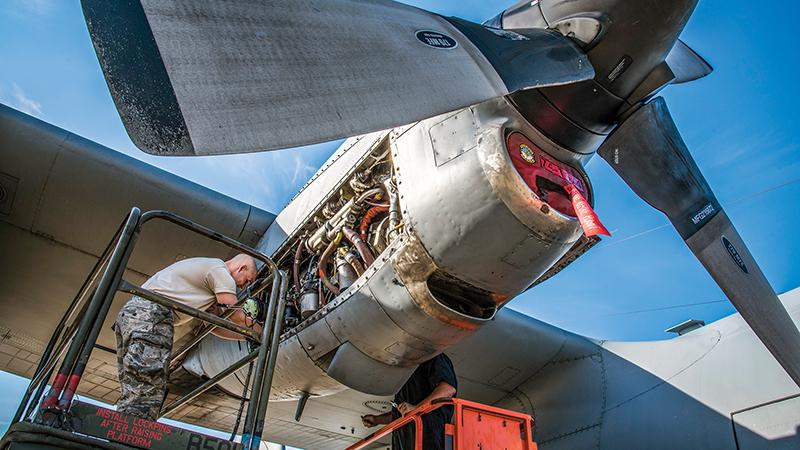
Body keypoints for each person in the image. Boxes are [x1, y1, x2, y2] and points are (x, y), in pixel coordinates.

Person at [113, 254, 259, 420]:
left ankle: (124, 425)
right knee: (149, 378)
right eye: (247, 280)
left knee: (134, 378)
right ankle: (134, 430)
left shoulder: (206, 283)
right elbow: (233, 312)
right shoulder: (220, 271)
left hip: (132, 315)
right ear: (241, 268)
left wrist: (248, 337)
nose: (243, 286)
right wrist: (261, 330)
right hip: (153, 314)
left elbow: (215, 328)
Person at [361, 353, 457, 449]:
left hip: (428, 438)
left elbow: (447, 389)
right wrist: (377, 420)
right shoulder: (405, 376)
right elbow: (402, 414)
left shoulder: (434, 357)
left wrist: (417, 409)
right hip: (405, 442)